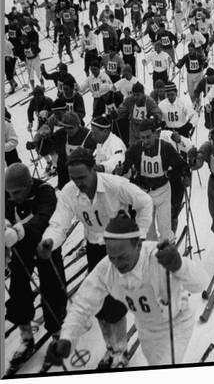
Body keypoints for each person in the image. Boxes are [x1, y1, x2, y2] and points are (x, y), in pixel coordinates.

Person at [46, 211, 207, 368]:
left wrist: (180, 266)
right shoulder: (107, 268)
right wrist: (67, 337)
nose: (117, 263)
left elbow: (201, 283)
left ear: (138, 245)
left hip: (175, 323)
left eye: (122, 256)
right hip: (146, 328)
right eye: (112, 256)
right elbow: (83, 304)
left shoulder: (158, 257)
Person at [38, 148, 153, 368]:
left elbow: (144, 202)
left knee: (116, 303)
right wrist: (49, 241)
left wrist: (138, 237)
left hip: (119, 249)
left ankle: (120, 350)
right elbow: (58, 223)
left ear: (94, 170)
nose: (78, 183)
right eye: (73, 178)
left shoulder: (115, 185)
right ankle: (110, 348)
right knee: (99, 303)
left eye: (82, 177)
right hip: (95, 248)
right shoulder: (69, 192)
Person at [5, 163, 67, 370]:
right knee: (17, 290)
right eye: (9, 193)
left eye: (17, 192)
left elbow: (44, 218)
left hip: (45, 245)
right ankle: (26, 337)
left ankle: (57, 334)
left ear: (29, 184)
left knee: (53, 290)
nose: (13, 197)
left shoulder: (45, 192)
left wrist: (20, 230)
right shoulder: (6, 195)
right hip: (21, 249)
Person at [115, 119, 189, 241]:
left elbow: (181, 165)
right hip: (144, 194)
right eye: (142, 137)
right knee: (148, 233)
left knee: (164, 229)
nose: (146, 141)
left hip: (162, 192)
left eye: (148, 137)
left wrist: (174, 174)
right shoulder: (136, 149)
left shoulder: (165, 147)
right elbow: (126, 165)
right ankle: (152, 254)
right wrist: (121, 169)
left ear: (155, 134)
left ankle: (166, 251)